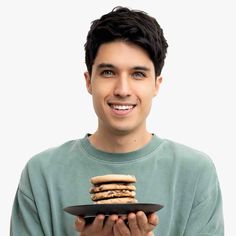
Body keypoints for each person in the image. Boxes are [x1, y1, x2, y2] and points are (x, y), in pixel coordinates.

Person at [10, 6, 224, 236]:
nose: (122, 90)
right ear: (89, 81)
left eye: (138, 74)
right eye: (108, 72)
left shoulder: (196, 173)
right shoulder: (41, 174)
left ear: (157, 84)